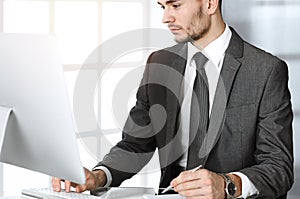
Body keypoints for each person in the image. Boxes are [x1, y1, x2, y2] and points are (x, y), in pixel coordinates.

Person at [52, 0, 294, 198]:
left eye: (175, 5)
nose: (166, 18)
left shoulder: (266, 70)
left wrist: (226, 185)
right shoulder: (159, 63)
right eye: (162, 7)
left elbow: (278, 168)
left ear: (210, 4)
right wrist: (98, 176)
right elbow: (135, 145)